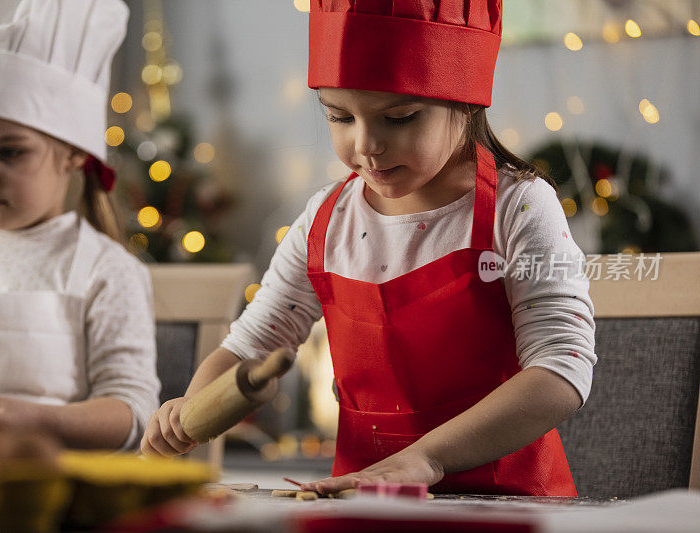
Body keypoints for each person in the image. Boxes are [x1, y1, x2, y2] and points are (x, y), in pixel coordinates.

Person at [142, 0, 596, 496]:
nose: (366, 146)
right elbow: (252, 346)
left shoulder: (521, 207)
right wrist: (191, 409)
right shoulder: (324, 221)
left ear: (464, 102)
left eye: (398, 117)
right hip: (361, 503)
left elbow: (559, 370)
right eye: (339, 117)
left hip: (511, 504)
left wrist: (426, 459)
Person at [0, 0, 160, 450]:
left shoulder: (107, 272)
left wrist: (42, 421)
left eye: (9, 152)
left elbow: (133, 412)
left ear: (74, 153)